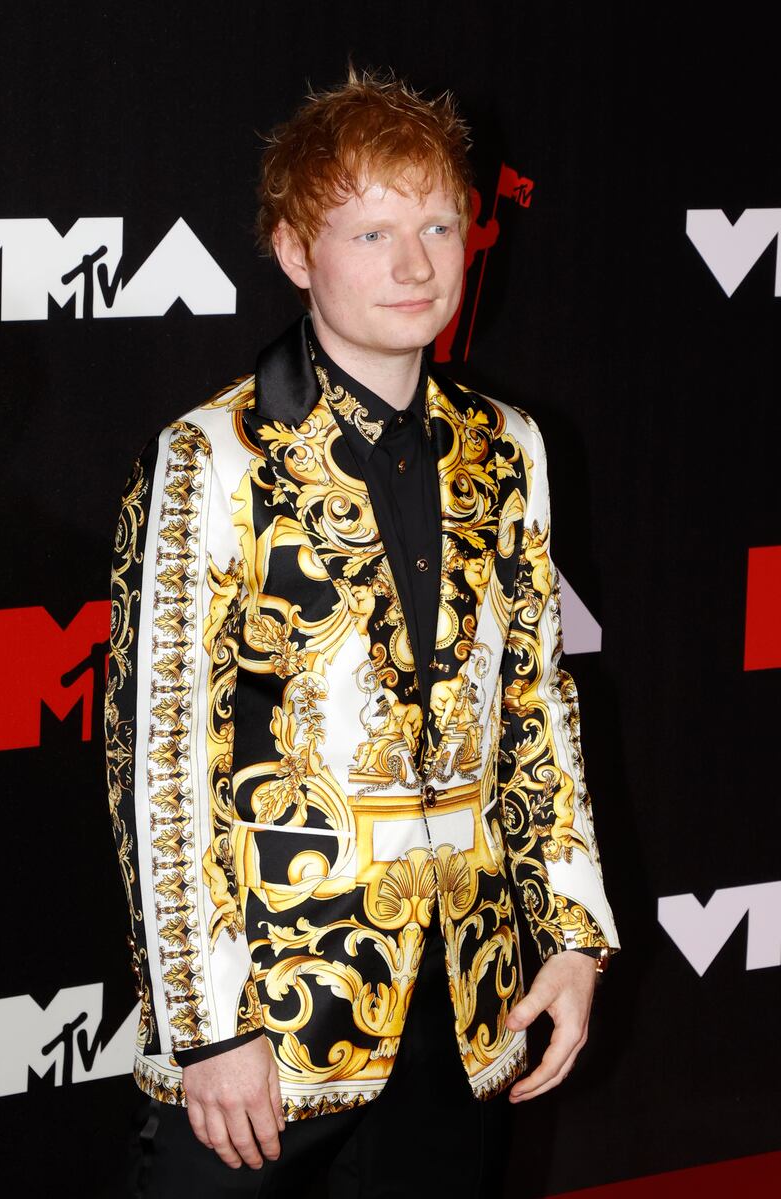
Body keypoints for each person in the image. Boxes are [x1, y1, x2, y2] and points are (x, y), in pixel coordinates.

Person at [105, 66, 619, 1198]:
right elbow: (156, 757)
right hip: (267, 1026)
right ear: (295, 251)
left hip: (466, 1003)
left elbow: (534, 700)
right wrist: (205, 1025)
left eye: (437, 224)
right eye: (371, 230)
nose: (414, 264)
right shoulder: (212, 455)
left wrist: (572, 935)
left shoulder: (509, 448)